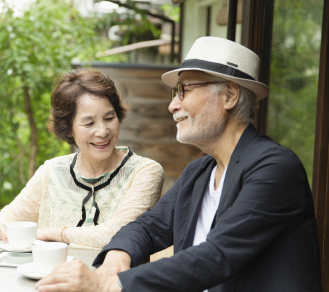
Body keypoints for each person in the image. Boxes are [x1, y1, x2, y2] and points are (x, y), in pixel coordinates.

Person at [36, 37, 322, 291]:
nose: (173, 105)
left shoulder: (274, 168)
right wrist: (116, 259)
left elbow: (217, 255)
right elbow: (147, 227)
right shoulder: (200, 172)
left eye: (185, 90)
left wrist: (111, 283)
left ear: (230, 95)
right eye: (175, 94)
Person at [0, 69, 164, 250]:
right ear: (68, 128)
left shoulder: (145, 172)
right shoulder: (52, 170)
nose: (103, 131)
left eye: (109, 118)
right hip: (49, 280)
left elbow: (120, 234)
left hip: (112, 282)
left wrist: (55, 234)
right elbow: (10, 218)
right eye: (89, 122)